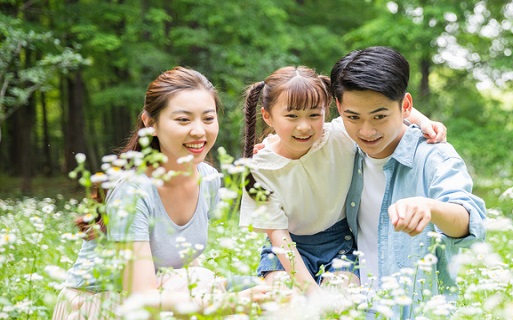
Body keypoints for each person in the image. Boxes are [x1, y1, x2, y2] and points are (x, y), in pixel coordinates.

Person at [53, 67, 270, 319]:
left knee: (263, 291)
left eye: (208, 119)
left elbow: (185, 266)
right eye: (183, 120)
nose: (199, 131)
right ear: (150, 123)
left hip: (164, 294)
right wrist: (220, 303)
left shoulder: (208, 179)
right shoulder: (133, 190)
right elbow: (140, 296)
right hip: (104, 306)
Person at [238, 66, 446, 295]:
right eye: (292, 116)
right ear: (267, 116)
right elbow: (279, 237)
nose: (304, 126)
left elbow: (384, 105)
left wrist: (424, 122)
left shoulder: (338, 137)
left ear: (327, 110)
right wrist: (310, 293)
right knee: (282, 298)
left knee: (339, 303)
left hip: (339, 244)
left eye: (314, 115)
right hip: (288, 247)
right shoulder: (260, 168)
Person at [331, 46, 486, 315]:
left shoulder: (435, 157)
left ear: (405, 106)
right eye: (353, 117)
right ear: (339, 108)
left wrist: (431, 208)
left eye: (380, 116)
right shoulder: (339, 147)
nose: (366, 131)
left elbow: (470, 222)